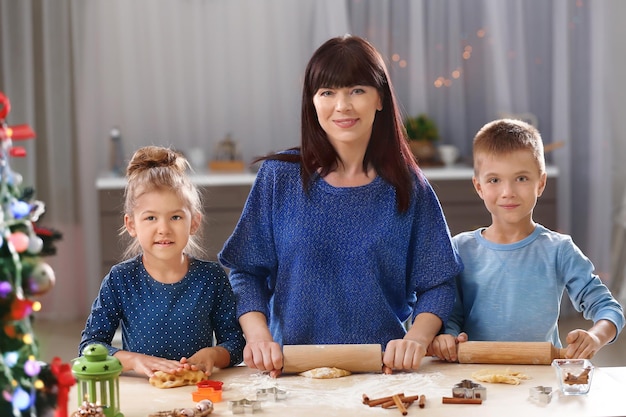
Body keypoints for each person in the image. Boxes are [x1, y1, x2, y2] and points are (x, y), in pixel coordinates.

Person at [218, 35, 463, 377]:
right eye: (327, 92)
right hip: (290, 372)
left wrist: (418, 339)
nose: (342, 106)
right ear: (313, 102)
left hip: (382, 374)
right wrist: (258, 336)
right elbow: (246, 271)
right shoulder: (279, 177)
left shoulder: (410, 187)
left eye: (357, 90)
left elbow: (438, 283)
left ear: (380, 98)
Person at [428, 118, 625, 362]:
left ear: (540, 183)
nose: (507, 191)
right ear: (479, 187)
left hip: (540, 380)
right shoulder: (460, 248)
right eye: (494, 180)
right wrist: (447, 336)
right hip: (476, 375)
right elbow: (451, 315)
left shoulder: (559, 250)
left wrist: (595, 336)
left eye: (521, 178)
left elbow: (610, 309)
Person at [79, 146, 245, 378]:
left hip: (197, 392)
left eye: (176, 217)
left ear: (194, 222)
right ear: (131, 224)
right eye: (150, 218)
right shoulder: (120, 279)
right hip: (143, 394)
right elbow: (90, 348)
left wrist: (214, 354)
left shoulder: (211, 277)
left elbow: (235, 344)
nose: (164, 229)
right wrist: (134, 361)